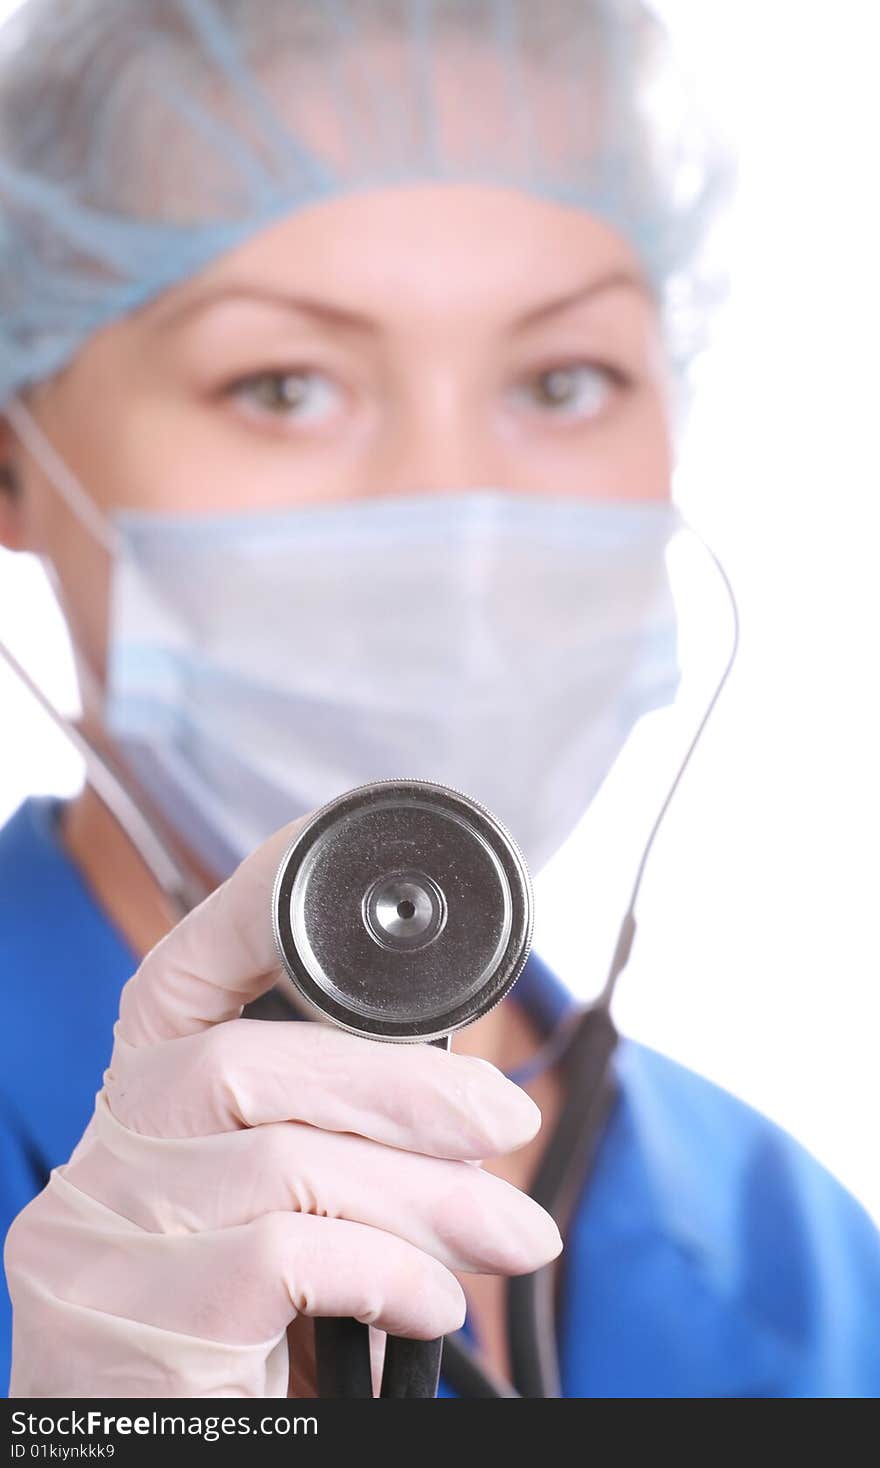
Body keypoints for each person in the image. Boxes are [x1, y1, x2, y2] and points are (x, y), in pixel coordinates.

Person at [1, 0, 878, 1401]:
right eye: (283, 384)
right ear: (13, 462)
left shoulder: (813, 1270)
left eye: (563, 377)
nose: (456, 523)